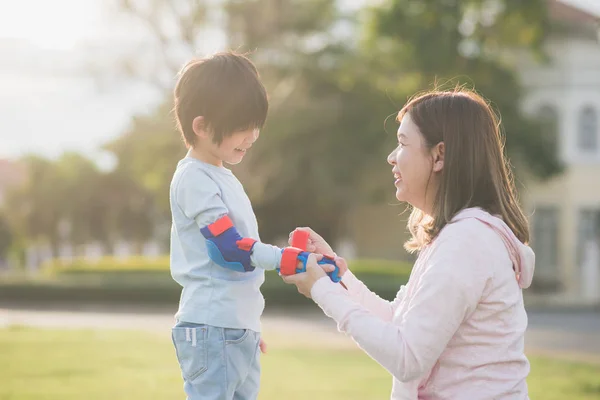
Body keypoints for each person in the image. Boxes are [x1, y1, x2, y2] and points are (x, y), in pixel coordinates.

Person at [283, 88, 536, 399]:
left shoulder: (467, 242)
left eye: (403, 143)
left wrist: (321, 290)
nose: (391, 157)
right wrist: (337, 277)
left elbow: (407, 358)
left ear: (439, 155)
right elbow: (398, 324)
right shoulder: (458, 236)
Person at [168, 51, 343, 400]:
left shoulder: (222, 176)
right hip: (212, 328)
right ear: (201, 126)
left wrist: (245, 324)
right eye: (242, 128)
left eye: (256, 126)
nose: (253, 136)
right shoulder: (194, 178)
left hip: (231, 328)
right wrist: (290, 259)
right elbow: (228, 250)